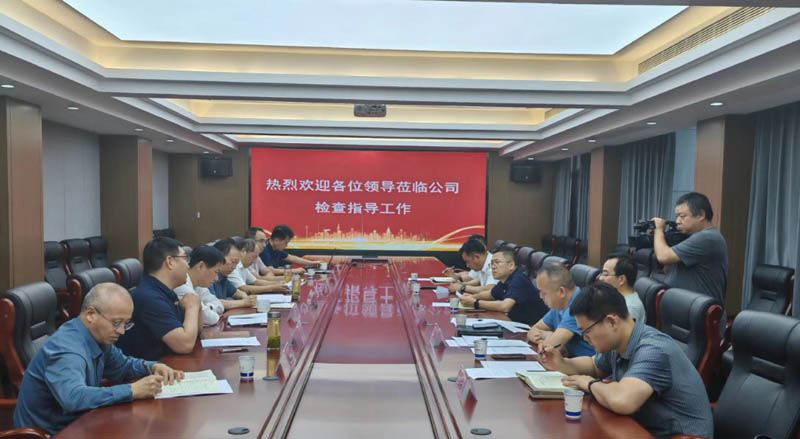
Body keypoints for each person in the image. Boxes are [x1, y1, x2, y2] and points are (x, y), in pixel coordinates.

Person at [538, 283, 713, 438]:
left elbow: (622, 400)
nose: (584, 338)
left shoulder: (653, 350)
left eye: (586, 331)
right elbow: (594, 365)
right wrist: (562, 363)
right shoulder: (619, 341)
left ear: (611, 322)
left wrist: (589, 384)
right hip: (641, 429)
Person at [14, 283, 184, 434]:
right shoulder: (68, 349)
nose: (121, 331)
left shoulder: (97, 337)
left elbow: (123, 366)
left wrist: (152, 367)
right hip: (53, 433)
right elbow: (73, 398)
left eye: (126, 323)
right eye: (116, 323)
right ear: (90, 314)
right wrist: (132, 390)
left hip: (81, 424)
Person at [652, 191, 729, 335]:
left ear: (701, 215)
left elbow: (663, 256)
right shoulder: (691, 238)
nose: (677, 221)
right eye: (676, 216)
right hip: (687, 313)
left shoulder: (707, 238)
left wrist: (658, 231)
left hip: (703, 318)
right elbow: (668, 270)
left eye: (682, 216)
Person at [116, 237, 202, 360]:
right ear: (170, 262)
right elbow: (185, 345)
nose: (188, 265)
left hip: (167, 362)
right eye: (185, 258)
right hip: (145, 369)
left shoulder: (165, 291)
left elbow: (196, 332)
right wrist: (192, 307)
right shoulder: (150, 298)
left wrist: (197, 306)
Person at [458, 247, 547, 325]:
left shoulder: (518, 280)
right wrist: (472, 297)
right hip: (514, 321)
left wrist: (475, 302)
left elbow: (505, 306)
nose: (493, 267)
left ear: (511, 265)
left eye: (497, 262)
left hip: (532, 327)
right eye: (492, 263)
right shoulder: (505, 279)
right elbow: (491, 294)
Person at [527, 262, 595, 357]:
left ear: (561, 291)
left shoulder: (579, 306)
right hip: (567, 360)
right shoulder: (559, 305)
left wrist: (550, 339)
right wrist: (549, 335)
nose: (540, 296)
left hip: (586, 364)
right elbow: (532, 331)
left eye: (544, 293)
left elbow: (549, 348)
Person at [174, 245, 229, 326]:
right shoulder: (181, 284)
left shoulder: (198, 284)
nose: (217, 278)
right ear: (200, 266)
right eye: (216, 272)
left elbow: (220, 306)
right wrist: (207, 310)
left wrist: (208, 307)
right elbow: (211, 318)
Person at [209, 238, 258, 310]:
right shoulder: (208, 276)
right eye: (233, 262)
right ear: (219, 257)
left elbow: (235, 292)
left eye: (237, 263)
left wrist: (246, 297)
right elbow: (215, 303)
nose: (234, 267)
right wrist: (243, 302)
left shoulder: (223, 277)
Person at [597, 255, 646, 324]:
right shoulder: (613, 296)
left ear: (621, 279)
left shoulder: (630, 308)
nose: (600, 278)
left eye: (605, 274)